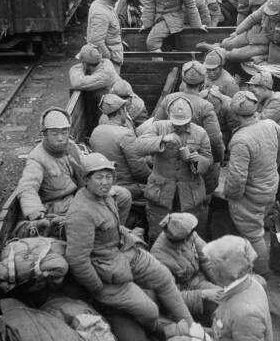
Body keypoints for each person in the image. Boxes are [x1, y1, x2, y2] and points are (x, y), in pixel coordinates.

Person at [65, 153, 192, 332]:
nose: (105, 182)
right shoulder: (81, 213)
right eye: (99, 177)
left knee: (164, 277)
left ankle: (192, 327)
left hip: (124, 252)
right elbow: (77, 260)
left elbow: (115, 221)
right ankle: (164, 332)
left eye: (109, 176)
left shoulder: (106, 195)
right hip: (106, 271)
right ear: (86, 180)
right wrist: (97, 287)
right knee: (150, 311)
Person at [16, 108, 131, 222]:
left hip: (80, 193)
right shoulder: (37, 158)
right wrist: (34, 210)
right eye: (54, 133)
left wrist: (103, 168)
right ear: (45, 134)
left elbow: (84, 164)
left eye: (64, 132)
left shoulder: (70, 147)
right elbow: (27, 186)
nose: (60, 138)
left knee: (123, 195)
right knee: (95, 210)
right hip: (59, 205)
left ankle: (116, 228)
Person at [223, 91, 280, 275]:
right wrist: (269, 170)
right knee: (258, 225)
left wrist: (231, 197)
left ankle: (262, 275)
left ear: (235, 114)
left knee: (253, 235)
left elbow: (237, 181)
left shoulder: (240, 140)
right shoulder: (271, 125)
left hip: (251, 196)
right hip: (270, 187)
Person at [136, 97, 213, 242]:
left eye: (184, 123)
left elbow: (208, 161)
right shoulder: (159, 127)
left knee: (189, 236)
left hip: (189, 197)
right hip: (161, 195)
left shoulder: (200, 132)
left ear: (191, 118)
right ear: (169, 117)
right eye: (177, 123)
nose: (180, 127)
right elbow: (138, 146)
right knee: (158, 235)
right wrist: (163, 139)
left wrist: (196, 160)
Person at [154, 61, 224, 183]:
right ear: (203, 83)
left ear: (183, 81)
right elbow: (214, 139)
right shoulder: (205, 106)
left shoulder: (169, 99)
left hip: (167, 160)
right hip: (193, 162)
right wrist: (217, 159)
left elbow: (156, 127)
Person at [199, 0, 280, 68]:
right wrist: (237, 32)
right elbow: (252, 19)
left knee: (237, 55)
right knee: (229, 43)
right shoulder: (266, 7)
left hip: (270, 46)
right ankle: (218, 46)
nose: (271, 16)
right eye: (269, 14)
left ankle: (218, 52)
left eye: (275, 14)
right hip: (257, 33)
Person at [151, 213, 222, 319]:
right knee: (216, 306)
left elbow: (207, 260)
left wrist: (223, 284)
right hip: (184, 295)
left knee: (227, 297)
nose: (194, 235)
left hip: (199, 281)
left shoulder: (189, 234)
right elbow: (171, 297)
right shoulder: (158, 257)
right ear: (183, 239)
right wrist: (203, 294)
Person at [203, 236, 273, 341]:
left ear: (224, 272)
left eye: (213, 264)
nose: (210, 268)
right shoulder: (251, 283)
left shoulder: (246, 315)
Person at [89, 94, 150, 199]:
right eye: (125, 110)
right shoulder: (125, 134)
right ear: (121, 111)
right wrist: (152, 177)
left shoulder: (96, 131)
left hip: (104, 183)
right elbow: (139, 171)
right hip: (125, 187)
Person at [87, 0, 125, 72]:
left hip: (112, 58)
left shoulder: (101, 5)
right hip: (109, 63)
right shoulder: (101, 13)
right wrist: (109, 59)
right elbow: (96, 41)